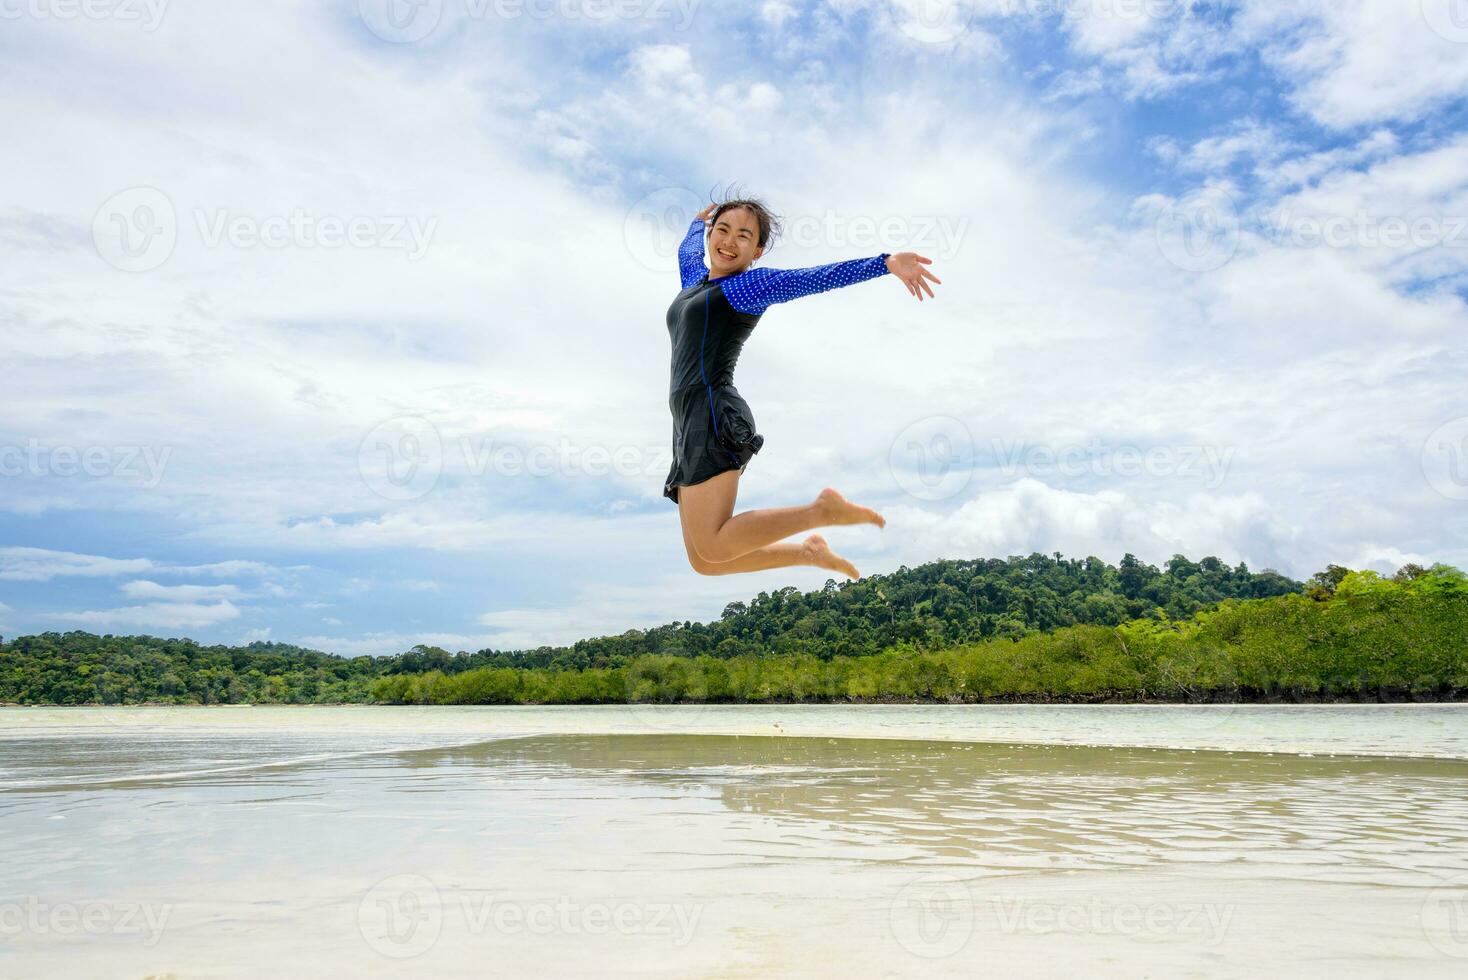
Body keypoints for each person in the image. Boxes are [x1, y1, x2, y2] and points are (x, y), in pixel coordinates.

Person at [664, 194, 941, 580]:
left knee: (712, 545)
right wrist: (697, 222)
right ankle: (808, 553)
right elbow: (687, 251)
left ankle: (822, 511)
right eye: (722, 230)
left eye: (744, 236)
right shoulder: (694, 282)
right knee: (704, 560)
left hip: (713, 412)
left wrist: (884, 264)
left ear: (757, 251)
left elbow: (814, 278)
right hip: (686, 419)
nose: (729, 242)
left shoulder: (749, 286)